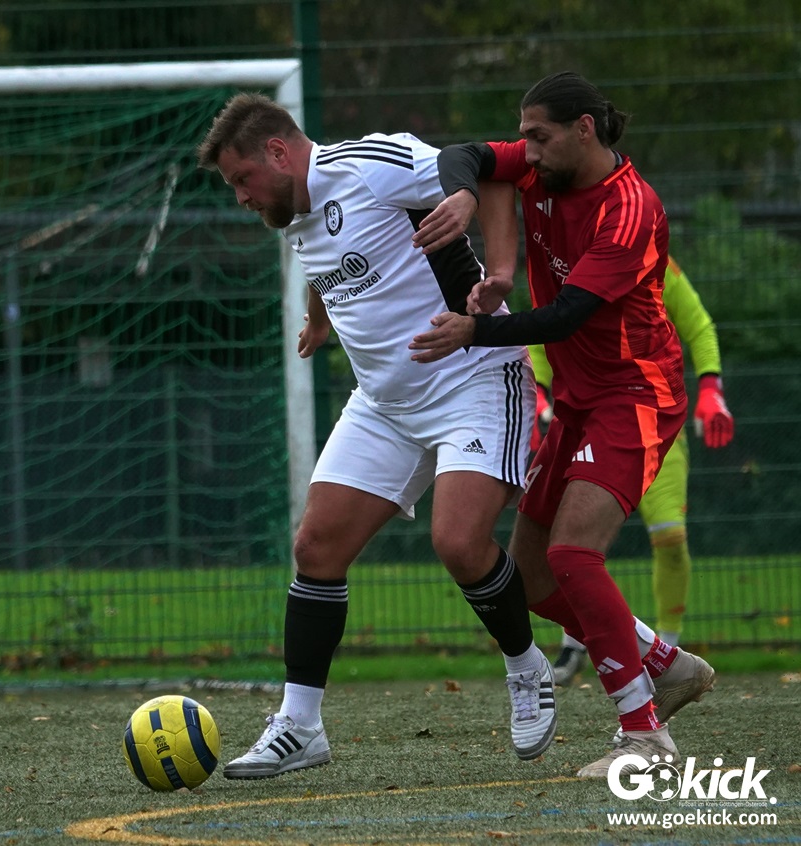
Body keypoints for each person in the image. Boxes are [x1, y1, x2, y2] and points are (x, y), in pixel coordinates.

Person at [196, 92, 558, 779]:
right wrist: (318, 317)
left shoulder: (371, 163)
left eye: (242, 179)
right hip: (384, 403)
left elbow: (493, 171)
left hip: (472, 379)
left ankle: (526, 666)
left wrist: (500, 273)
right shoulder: (291, 210)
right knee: (315, 546)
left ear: (278, 152)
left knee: (459, 543)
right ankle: (300, 726)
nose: (240, 197)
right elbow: (325, 255)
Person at [409, 71, 715, 777]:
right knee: (533, 576)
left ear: (584, 129)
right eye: (524, 136)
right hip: (579, 399)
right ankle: (665, 664)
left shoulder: (630, 209)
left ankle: (645, 737)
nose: (528, 150)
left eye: (539, 136)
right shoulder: (541, 164)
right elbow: (464, 156)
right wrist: (464, 195)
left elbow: (567, 316)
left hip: (636, 396)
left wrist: (473, 329)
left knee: (575, 555)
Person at [535, 257, 735, 684]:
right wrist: (536, 391)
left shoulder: (650, 256)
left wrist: (711, 387)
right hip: (586, 421)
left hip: (651, 418)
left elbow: (699, 324)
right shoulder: (557, 253)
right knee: (573, 543)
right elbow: (542, 331)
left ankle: (669, 651)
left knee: (670, 537)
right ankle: (577, 643)